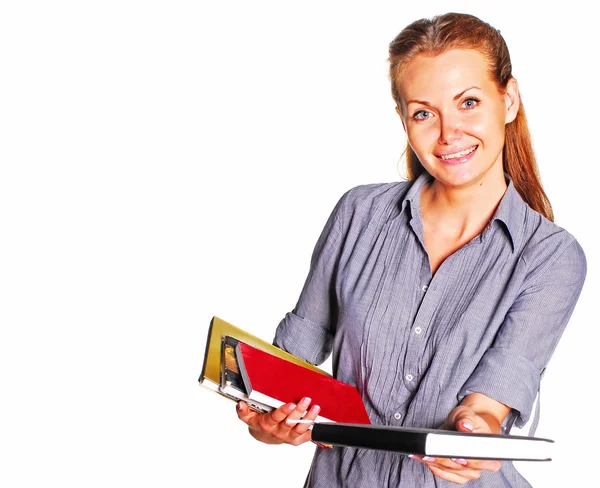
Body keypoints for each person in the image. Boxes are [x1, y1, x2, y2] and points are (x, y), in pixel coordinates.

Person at [235, 12, 586, 487]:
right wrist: (271, 421)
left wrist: (473, 436)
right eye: (424, 112)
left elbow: (488, 405)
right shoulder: (358, 215)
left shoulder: (549, 257)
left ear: (509, 100)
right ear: (403, 119)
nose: (449, 133)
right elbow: (282, 380)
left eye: (468, 103)